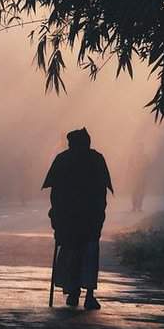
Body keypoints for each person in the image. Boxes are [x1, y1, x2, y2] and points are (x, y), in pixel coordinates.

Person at [42, 127, 113, 310]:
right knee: (88, 254)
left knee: (72, 253)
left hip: (72, 219)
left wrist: (56, 216)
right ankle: (87, 294)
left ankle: (74, 292)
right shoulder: (95, 159)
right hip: (88, 218)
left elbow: (55, 194)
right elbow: (101, 192)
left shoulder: (63, 159)